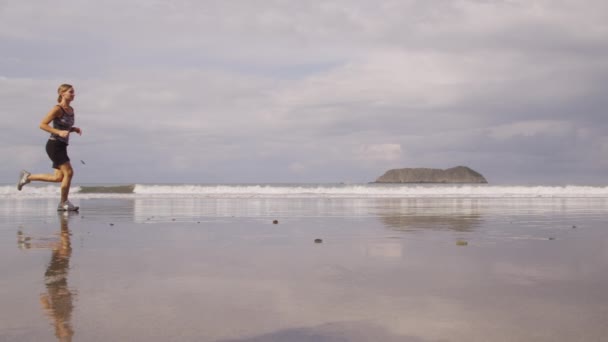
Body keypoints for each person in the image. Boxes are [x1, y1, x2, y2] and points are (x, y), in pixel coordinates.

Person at [18, 84, 82, 211]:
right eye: (71, 92)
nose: (73, 94)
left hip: (62, 145)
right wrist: (58, 132)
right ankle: (63, 203)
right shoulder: (57, 109)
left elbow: (64, 126)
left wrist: (73, 129)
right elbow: (42, 124)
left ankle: (27, 177)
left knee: (59, 178)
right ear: (62, 93)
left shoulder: (71, 110)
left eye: (74, 92)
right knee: (69, 172)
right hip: (54, 145)